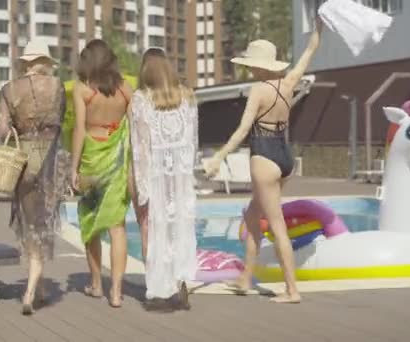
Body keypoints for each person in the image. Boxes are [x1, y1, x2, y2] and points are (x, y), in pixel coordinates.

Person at [204, 18, 323, 303]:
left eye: (250, 64)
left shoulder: (258, 90)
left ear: (257, 66)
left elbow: (243, 131)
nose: (249, 68)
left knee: (277, 225)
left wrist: (219, 157)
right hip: (284, 157)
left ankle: (292, 290)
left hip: (264, 157)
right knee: (251, 216)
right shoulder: (290, 82)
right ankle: (245, 278)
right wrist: (318, 29)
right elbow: (309, 51)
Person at [0, 39, 70, 315]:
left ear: (26, 63)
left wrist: (15, 123)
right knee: (43, 225)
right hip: (49, 160)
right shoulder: (57, 87)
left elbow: (2, 131)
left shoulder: (8, 90)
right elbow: (59, 122)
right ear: (44, 63)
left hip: (23, 161)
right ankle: (30, 291)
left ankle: (37, 287)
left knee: (28, 224)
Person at [130, 48, 198, 309]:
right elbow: (192, 140)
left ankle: (161, 287)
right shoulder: (187, 96)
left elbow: (140, 148)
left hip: (157, 175)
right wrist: (189, 174)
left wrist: (142, 187)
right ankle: (181, 279)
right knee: (180, 227)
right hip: (180, 174)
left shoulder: (140, 99)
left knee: (157, 231)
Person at [71, 39, 134, 308]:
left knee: (90, 223)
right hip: (117, 162)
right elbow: (135, 129)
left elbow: (79, 130)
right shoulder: (126, 90)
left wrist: (73, 168)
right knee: (117, 227)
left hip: (91, 161)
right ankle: (117, 291)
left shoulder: (83, 89)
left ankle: (96, 284)